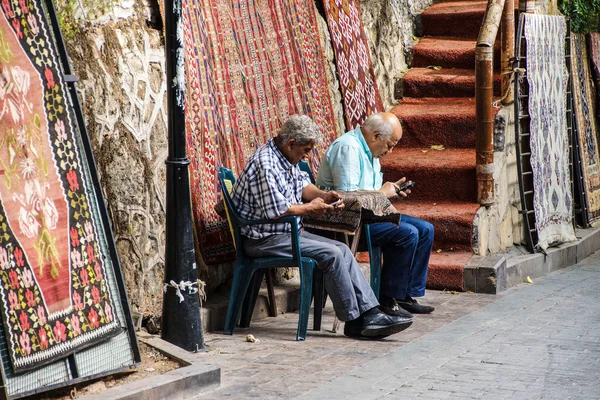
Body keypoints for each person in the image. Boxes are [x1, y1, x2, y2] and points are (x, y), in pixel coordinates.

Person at [231, 114, 412, 339]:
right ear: (291, 144)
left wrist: (323, 196)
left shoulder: (286, 158)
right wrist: (310, 208)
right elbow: (277, 211)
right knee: (332, 253)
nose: (308, 155)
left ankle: (370, 311)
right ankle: (354, 321)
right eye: (306, 150)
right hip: (263, 239)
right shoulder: (265, 163)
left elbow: (302, 186)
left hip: (286, 234)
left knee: (342, 249)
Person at [316, 112, 435, 317]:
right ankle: (388, 298)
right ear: (375, 136)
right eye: (389, 145)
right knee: (406, 233)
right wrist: (382, 193)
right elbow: (347, 201)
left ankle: (405, 294)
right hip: (343, 223)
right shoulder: (349, 148)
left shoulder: (371, 152)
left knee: (425, 229)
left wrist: (390, 192)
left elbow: (368, 196)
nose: (390, 151)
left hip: (367, 216)